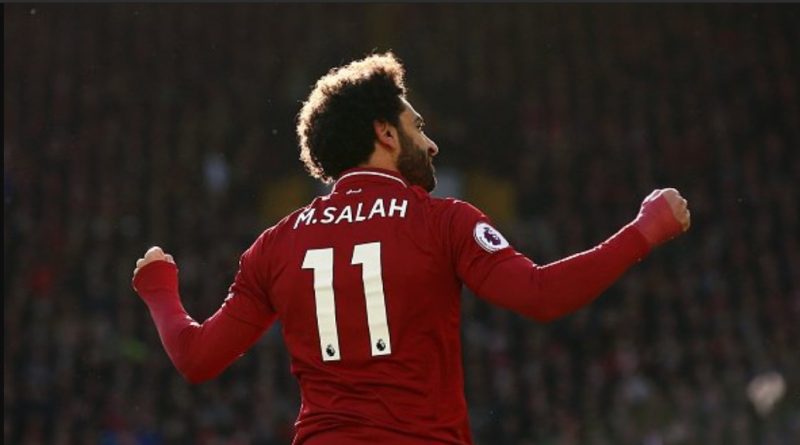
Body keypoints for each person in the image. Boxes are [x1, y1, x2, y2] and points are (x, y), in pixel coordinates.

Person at [132, 52, 690, 444]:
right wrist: (643, 230)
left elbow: (197, 358)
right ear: (386, 133)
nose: (431, 142)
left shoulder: (275, 246)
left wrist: (159, 288)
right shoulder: (441, 221)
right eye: (417, 126)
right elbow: (540, 295)